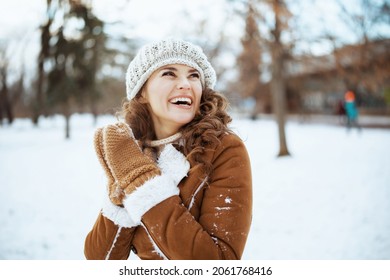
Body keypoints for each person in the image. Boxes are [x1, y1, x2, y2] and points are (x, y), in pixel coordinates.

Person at [84, 38, 253, 260]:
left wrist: (142, 183)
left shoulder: (223, 149)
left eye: (194, 76)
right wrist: (124, 179)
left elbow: (219, 264)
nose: (186, 84)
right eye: (169, 73)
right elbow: (100, 260)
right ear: (142, 92)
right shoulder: (133, 152)